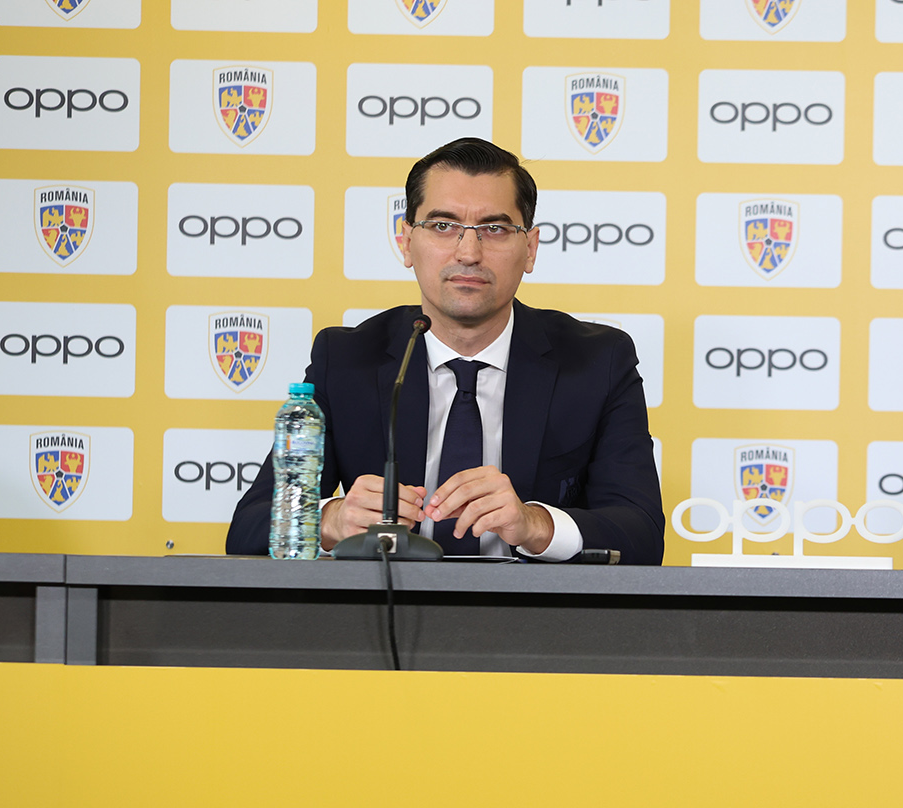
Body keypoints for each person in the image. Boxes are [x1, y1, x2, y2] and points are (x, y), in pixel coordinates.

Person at [227, 138, 664, 564]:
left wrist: (535, 524)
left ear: (530, 249)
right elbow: (247, 528)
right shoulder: (346, 359)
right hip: (387, 608)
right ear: (406, 242)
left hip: (536, 609)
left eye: (494, 229)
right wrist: (330, 519)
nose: (468, 252)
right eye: (442, 226)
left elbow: (642, 535)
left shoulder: (597, 362)